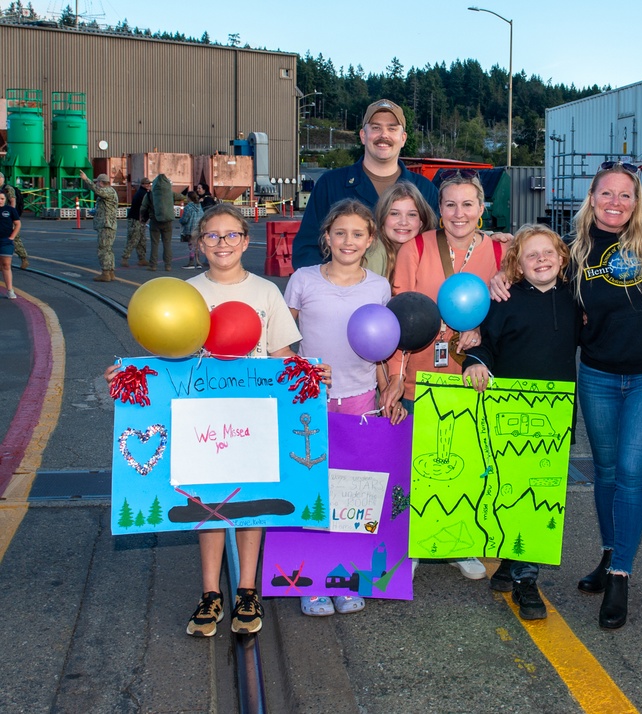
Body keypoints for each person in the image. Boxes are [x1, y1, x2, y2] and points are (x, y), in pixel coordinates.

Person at [106, 204, 303, 637]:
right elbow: (163, 357)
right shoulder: (185, 293)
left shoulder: (267, 293)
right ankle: (211, 592)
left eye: (231, 235)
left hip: (253, 417)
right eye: (211, 236)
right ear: (198, 245)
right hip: (203, 418)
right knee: (206, 502)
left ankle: (247, 590)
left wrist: (309, 375)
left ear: (245, 241)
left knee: (252, 503)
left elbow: (283, 358)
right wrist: (129, 376)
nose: (222, 243)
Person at [552, 162, 642, 630]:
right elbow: (532, 274)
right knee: (603, 471)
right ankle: (608, 555)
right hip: (598, 376)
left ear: (637, 200)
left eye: (625, 195)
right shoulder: (573, 250)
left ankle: (621, 574)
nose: (615, 203)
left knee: (631, 471)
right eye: (607, 194)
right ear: (592, 196)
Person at [282, 198, 407, 616]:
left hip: (360, 400)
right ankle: (311, 581)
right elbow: (280, 338)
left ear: (370, 239)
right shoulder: (302, 280)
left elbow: (385, 344)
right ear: (327, 237)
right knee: (311, 489)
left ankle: (346, 575)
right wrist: (301, 371)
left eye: (357, 234)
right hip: (309, 400)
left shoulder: (379, 287)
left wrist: (390, 384)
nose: (348, 241)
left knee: (353, 492)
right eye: (340, 233)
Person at [386, 170, 506, 581]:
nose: (459, 213)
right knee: (416, 461)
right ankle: (415, 540)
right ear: (439, 209)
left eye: (468, 204)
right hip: (421, 371)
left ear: (481, 208)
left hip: (471, 374)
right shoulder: (415, 248)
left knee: (464, 461)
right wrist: (394, 377)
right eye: (450, 204)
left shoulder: (502, 251)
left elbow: (510, 313)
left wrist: (482, 330)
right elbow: (399, 319)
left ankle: (458, 541)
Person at [462, 224, 581, 621]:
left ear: (562, 258)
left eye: (548, 253)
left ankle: (523, 575)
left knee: (541, 495)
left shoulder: (574, 299)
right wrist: (477, 364)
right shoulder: (505, 300)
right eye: (531, 255)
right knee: (512, 490)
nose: (541, 260)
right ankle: (519, 569)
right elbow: (487, 344)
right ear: (517, 264)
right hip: (511, 413)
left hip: (555, 416)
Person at [292, 99, 438, 270]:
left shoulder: (425, 190)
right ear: (363, 135)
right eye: (376, 128)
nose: (384, 135)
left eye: (392, 128)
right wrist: (329, 288)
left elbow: (437, 248)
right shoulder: (330, 184)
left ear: (403, 138)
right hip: (344, 293)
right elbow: (306, 249)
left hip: (408, 293)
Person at [372, 181, 436, 282]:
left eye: (411, 215)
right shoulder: (368, 256)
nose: (403, 222)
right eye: (394, 213)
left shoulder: (434, 256)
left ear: (421, 222)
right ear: (382, 218)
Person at [80, 171, 119, 282]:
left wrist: (86, 179)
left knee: (103, 249)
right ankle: (110, 272)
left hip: (106, 225)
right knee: (108, 249)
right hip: (108, 224)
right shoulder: (110, 192)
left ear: (101, 182)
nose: (96, 184)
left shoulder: (108, 191)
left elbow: (97, 190)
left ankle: (105, 273)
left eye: (97, 182)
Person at [143, 174, 181, 271]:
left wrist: (143, 219)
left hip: (154, 221)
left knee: (154, 244)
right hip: (168, 221)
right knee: (167, 243)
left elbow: (143, 208)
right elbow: (182, 197)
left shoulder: (150, 194)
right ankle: (168, 265)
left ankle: (153, 265)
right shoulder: (170, 194)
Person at [0, 172, 28, 269]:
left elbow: (13, 201)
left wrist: (11, 216)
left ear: (2, 179)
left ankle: (24, 259)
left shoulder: (8, 189)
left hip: (8, 216)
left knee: (15, 240)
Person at [121, 177, 151, 268]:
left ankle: (142, 259)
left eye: (148, 183)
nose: (148, 185)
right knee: (133, 239)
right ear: (142, 184)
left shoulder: (144, 193)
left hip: (140, 220)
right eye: (146, 184)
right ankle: (125, 258)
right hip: (135, 219)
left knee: (141, 240)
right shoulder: (143, 194)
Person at [0, 191, 21, 298]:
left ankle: (9, 290)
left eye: (2, 199)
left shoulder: (10, 210)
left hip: (5, 241)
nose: (0, 201)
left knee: (6, 265)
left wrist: (12, 237)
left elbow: (17, 224)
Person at [179, 191, 204, 269]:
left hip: (190, 229)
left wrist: (180, 221)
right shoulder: (199, 206)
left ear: (189, 198)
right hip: (198, 229)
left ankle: (191, 263)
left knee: (191, 246)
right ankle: (198, 263)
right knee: (197, 246)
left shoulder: (188, 207)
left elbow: (184, 219)